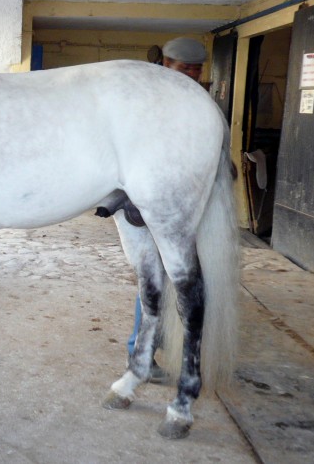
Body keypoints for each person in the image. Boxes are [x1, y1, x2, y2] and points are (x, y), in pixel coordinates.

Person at [127, 37, 207, 382]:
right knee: (154, 278)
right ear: (166, 65)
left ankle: (170, 349)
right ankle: (140, 349)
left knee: (184, 281)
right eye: (183, 67)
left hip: (189, 203)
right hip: (152, 201)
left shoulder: (200, 102)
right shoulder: (146, 101)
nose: (190, 74)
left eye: (196, 69)